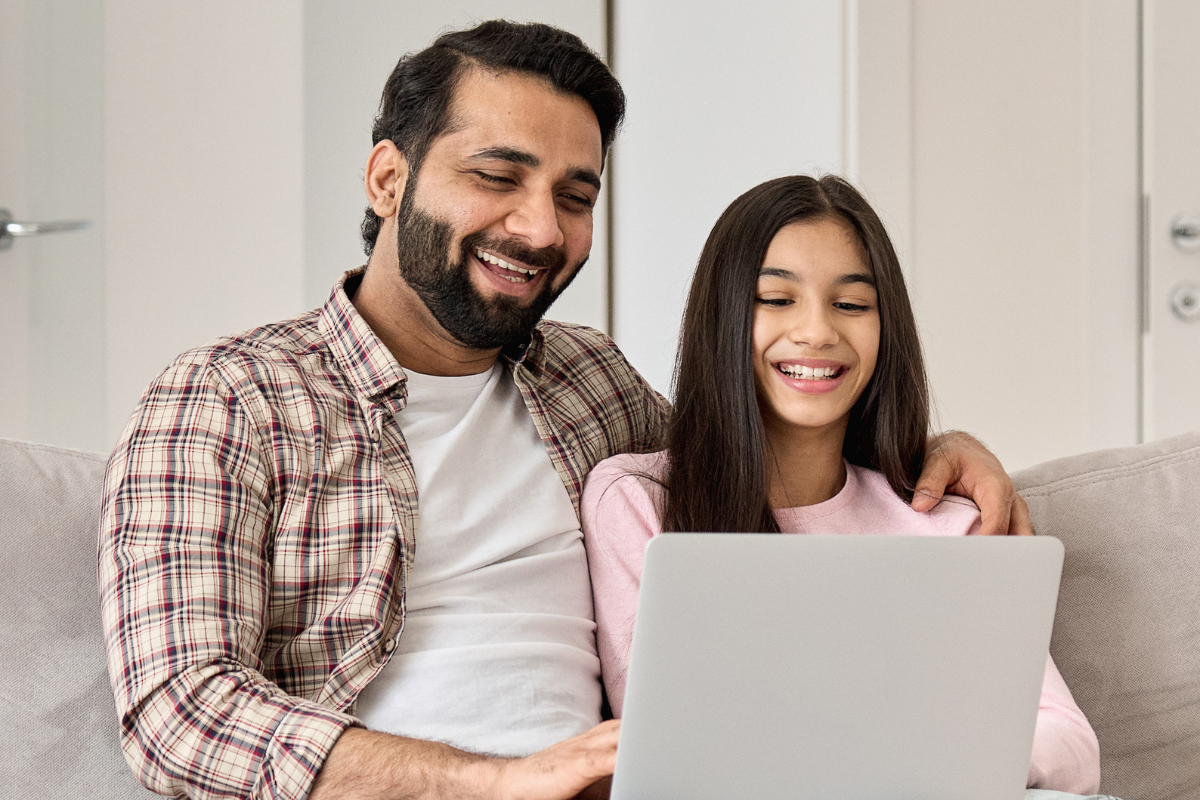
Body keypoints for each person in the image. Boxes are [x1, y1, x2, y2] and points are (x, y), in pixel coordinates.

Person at [99, 21, 1033, 800]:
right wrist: (497, 781)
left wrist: (931, 446)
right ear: (389, 179)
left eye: (574, 195)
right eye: (497, 178)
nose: (541, 229)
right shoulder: (225, 400)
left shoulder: (590, 384)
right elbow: (179, 707)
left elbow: (766, 462)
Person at [581, 175, 1106, 796]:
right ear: (720, 317)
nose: (817, 332)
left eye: (851, 305)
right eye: (775, 299)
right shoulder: (640, 503)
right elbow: (664, 751)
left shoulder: (946, 523)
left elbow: (1071, 745)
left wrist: (925, 767)